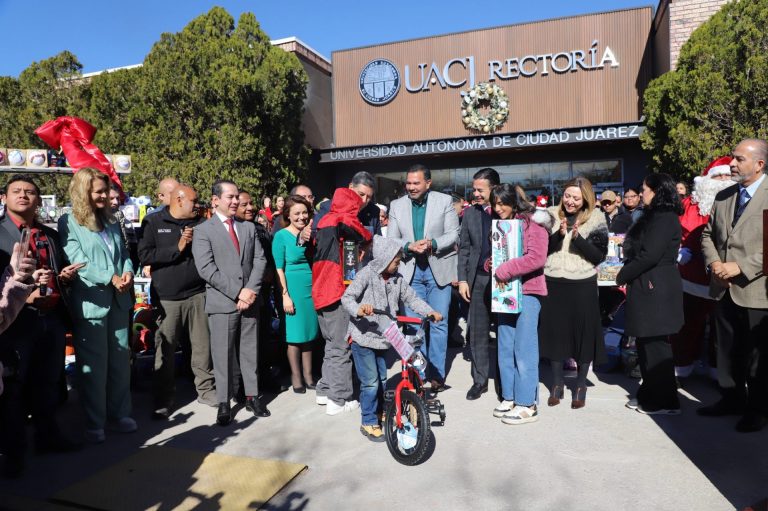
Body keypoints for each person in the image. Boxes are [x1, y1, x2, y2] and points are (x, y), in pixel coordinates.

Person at [0, 176, 80, 477]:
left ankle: (48, 437)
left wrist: (63, 277)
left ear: (38, 199)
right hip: (14, 322)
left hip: (51, 318)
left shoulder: (49, 234)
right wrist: (25, 294)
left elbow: (54, 272)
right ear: (4, 198)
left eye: (30, 192)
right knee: (14, 389)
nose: (24, 196)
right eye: (16, 191)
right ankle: (14, 452)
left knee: (48, 382)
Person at [58, 168, 136, 444]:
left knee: (120, 364)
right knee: (95, 365)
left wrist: (127, 272)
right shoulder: (69, 222)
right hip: (92, 302)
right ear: (84, 192)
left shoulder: (111, 219)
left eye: (106, 190)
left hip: (119, 300)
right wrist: (110, 277)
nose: (105, 196)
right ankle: (95, 422)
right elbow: (77, 260)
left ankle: (120, 413)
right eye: (99, 191)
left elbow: (124, 254)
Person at [341, 236, 441, 441]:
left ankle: (379, 412)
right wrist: (359, 310)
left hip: (384, 337)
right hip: (363, 337)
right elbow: (347, 298)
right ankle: (368, 421)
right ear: (384, 259)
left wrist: (430, 311)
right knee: (370, 382)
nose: (398, 265)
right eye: (396, 261)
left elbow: (412, 298)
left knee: (382, 379)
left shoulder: (398, 280)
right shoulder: (366, 274)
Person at [700, 138, 768, 433]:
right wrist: (715, 263)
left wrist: (740, 267)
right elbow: (707, 235)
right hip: (723, 287)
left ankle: (758, 409)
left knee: (757, 356)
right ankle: (731, 399)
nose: (732, 163)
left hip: (757, 290)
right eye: (733, 157)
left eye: (740, 159)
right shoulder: (725, 196)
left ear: (759, 164)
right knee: (726, 350)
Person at [192, 180, 269, 426]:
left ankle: (252, 396)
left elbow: (260, 260)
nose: (236, 201)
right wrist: (238, 292)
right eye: (231, 197)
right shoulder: (203, 231)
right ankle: (224, 401)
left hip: (250, 301)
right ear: (215, 200)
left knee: (250, 350)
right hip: (223, 302)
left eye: (237, 197)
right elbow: (206, 269)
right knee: (222, 354)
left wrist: (251, 291)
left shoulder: (247, 228)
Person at [138, 184, 216, 419]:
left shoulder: (200, 222)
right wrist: (177, 247)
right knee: (166, 350)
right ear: (179, 200)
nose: (198, 205)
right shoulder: (153, 222)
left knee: (203, 346)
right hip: (167, 299)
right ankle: (163, 398)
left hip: (198, 294)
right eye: (194, 201)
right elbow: (144, 255)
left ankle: (206, 390)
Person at [386, 164, 460, 392]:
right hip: (410, 271)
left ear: (428, 183)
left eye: (416, 183)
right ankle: (419, 373)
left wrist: (433, 244)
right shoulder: (397, 205)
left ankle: (437, 374)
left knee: (438, 323)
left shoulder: (444, 201)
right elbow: (391, 238)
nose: (411, 187)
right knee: (413, 326)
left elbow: (453, 233)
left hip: (439, 270)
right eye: (408, 183)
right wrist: (408, 246)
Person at [617, 174, 684, 415]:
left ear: (656, 191)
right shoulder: (654, 216)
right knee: (646, 343)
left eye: (644, 189)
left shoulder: (664, 218)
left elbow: (650, 255)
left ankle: (665, 400)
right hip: (648, 284)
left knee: (656, 346)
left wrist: (622, 275)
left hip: (656, 286)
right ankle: (650, 392)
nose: (641, 193)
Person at [539, 176, 608, 409]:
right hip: (553, 281)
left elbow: (598, 256)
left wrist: (578, 239)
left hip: (582, 283)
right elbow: (541, 250)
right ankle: (557, 383)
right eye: (567, 196)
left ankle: (580, 385)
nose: (570, 201)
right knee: (555, 334)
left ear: (585, 199)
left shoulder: (596, 217)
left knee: (583, 335)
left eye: (576, 198)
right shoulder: (550, 214)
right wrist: (559, 235)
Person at [489, 184, 550, 424]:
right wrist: (492, 264)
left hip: (529, 291)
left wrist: (504, 269)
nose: (498, 208)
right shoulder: (503, 225)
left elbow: (537, 257)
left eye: (502, 203)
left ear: (514, 202)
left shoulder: (534, 223)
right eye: (494, 204)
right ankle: (510, 396)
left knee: (524, 348)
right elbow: (500, 256)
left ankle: (527, 403)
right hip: (505, 293)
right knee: (505, 346)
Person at [672, 157, 736, 378]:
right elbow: (671, 230)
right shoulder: (687, 204)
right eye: (718, 175)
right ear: (707, 179)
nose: (724, 180)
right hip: (690, 277)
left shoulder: (739, 202)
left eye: (728, 175)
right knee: (687, 327)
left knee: (722, 330)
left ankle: (719, 372)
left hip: (725, 277)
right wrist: (677, 250)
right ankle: (681, 368)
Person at [312, 188, 372, 415]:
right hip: (336, 291)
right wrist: (367, 239)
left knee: (331, 344)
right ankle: (339, 399)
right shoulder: (342, 220)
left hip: (320, 290)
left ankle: (324, 390)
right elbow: (364, 234)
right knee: (341, 346)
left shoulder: (323, 222)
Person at [457, 168, 500, 400]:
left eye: (480, 190)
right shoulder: (470, 214)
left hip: (505, 281)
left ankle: (504, 380)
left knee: (504, 333)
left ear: (494, 189)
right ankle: (480, 380)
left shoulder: (507, 211)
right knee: (478, 333)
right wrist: (463, 279)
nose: (476, 194)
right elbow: (464, 248)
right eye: (474, 189)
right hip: (478, 280)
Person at [272, 196, 319, 393]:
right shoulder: (281, 236)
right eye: (297, 213)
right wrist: (285, 295)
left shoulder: (310, 234)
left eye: (304, 212)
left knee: (308, 334)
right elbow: (278, 268)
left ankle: (308, 376)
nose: (301, 217)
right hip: (292, 288)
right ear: (288, 216)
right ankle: (296, 377)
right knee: (294, 336)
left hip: (310, 287)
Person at [313, 171, 380, 240]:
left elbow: (378, 241)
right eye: (361, 194)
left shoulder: (374, 211)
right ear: (351, 187)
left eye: (369, 197)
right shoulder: (329, 206)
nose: (364, 200)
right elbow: (315, 233)